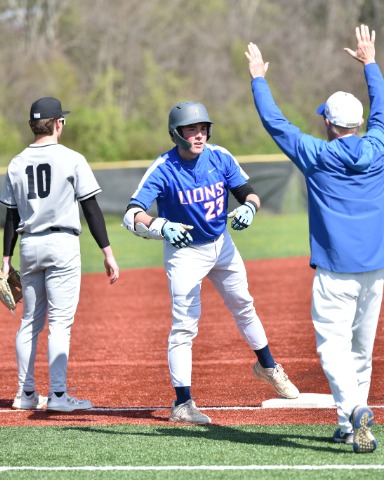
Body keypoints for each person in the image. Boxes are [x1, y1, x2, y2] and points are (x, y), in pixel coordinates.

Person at [245, 25, 384, 453]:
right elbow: (383, 110)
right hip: (375, 267)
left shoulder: (318, 154)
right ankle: (350, 424)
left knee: (333, 348)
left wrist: (258, 79)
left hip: (335, 270)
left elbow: (276, 124)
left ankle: (353, 410)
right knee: (361, 349)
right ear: (359, 123)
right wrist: (370, 64)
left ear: (328, 122)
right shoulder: (378, 147)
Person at [122, 101, 300, 424]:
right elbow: (131, 213)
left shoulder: (220, 157)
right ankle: (182, 404)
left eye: (203, 128)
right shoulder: (164, 168)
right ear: (176, 134)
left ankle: (268, 367)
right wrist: (161, 226)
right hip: (184, 253)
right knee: (184, 326)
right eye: (191, 129)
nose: (199, 135)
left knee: (244, 304)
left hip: (221, 244)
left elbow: (249, 193)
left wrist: (250, 208)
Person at [0, 96, 119, 412]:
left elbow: (11, 216)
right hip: (62, 244)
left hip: (29, 245)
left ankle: (25, 394)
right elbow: (91, 209)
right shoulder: (72, 159)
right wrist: (107, 252)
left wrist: (6, 262)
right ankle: (59, 395)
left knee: (29, 322)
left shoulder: (16, 162)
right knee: (60, 324)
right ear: (56, 124)